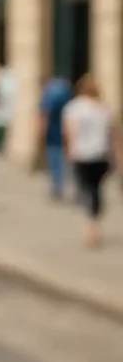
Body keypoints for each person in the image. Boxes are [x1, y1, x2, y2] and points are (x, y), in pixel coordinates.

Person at [62, 74, 118, 248]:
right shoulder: (103, 108)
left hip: (82, 154)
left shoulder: (74, 108)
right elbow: (112, 134)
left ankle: (90, 227)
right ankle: (93, 223)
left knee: (85, 189)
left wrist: (71, 150)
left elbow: (70, 131)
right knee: (95, 189)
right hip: (101, 154)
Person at [39, 75, 73, 201]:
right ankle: (62, 184)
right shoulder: (65, 95)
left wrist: (40, 135)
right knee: (63, 161)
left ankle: (57, 186)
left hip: (53, 134)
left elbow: (43, 116)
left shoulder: (48, 97)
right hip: (64, 133)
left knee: (54, 160)